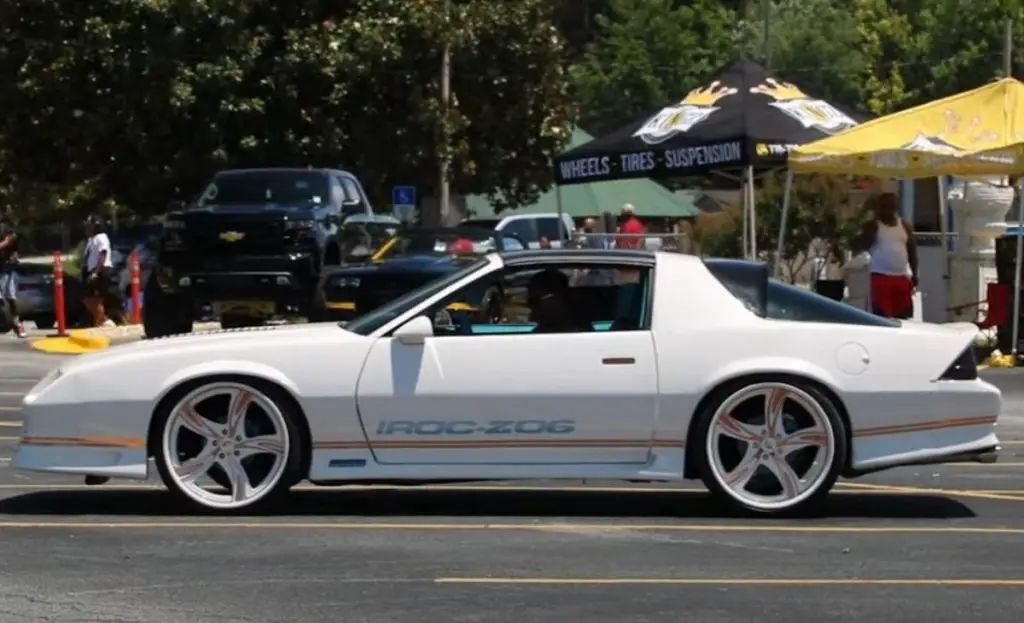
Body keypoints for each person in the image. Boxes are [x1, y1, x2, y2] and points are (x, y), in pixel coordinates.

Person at [853, 192, 919, 319]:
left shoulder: (905, 226)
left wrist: (915, 274)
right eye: (884, 206)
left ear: (896, 207)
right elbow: (861, 245)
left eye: (891, 206)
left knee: (903, 316)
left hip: (901, 277)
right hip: (880, 277)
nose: (888, 209)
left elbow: (912, 251)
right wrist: (870, 228)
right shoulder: (873, 226)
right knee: (881, 316)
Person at [526, 268, 588, 333]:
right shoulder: (539, 334)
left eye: (534, 301)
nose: (531, 308)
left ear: (558, 298)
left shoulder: (582, 334)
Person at [82, 215, 116, 327]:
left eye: (89, 224)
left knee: (96, 299)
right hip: (92, 270)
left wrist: (96, 272)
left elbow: (103, 254)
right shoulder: (92, 239)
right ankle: (100, 319)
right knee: (88, 298)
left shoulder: (101, 237)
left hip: (101, 270)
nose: (87, 227)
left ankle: (101, 321)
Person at [0, 215, 25, 338]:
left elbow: (12, 241)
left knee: (10, 296)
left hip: (6, 268)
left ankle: (17, 323)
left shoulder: (8, 229)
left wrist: (14, 255)